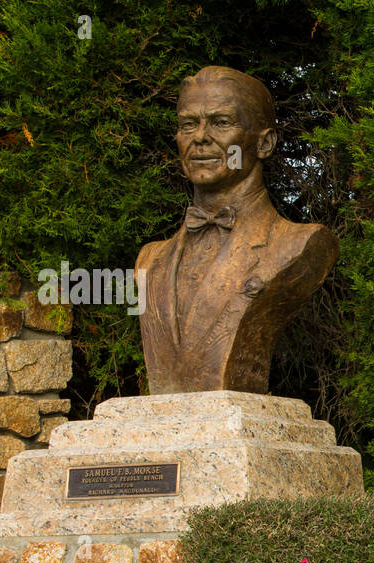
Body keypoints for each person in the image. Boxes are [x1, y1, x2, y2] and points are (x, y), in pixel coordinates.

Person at [135, 65, 337, 394]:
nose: (200, 137)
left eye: (221, 122)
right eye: (188, 124)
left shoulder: (297, 244)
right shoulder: (150, 261)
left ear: (264, 143)